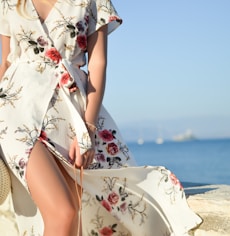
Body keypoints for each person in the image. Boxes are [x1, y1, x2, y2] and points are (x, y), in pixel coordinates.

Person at [0, 0, 202, 235]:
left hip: (68, 112)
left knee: (76, 210)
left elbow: (98, 63)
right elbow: (5, 61)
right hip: (15, 109)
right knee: (63, 212)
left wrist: (89, 125)